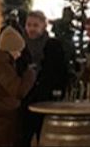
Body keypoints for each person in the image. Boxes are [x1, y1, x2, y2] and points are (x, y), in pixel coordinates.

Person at [21, 10, 68, 146]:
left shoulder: (53, 45)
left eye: (35, 25)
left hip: (45, 97)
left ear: (43, 26)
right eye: (29, 25)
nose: (31, 29)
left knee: (45, 135)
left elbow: (60, 71)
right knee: (24, 135)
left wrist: (57, 90)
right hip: (26, 96)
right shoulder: (21, 46)